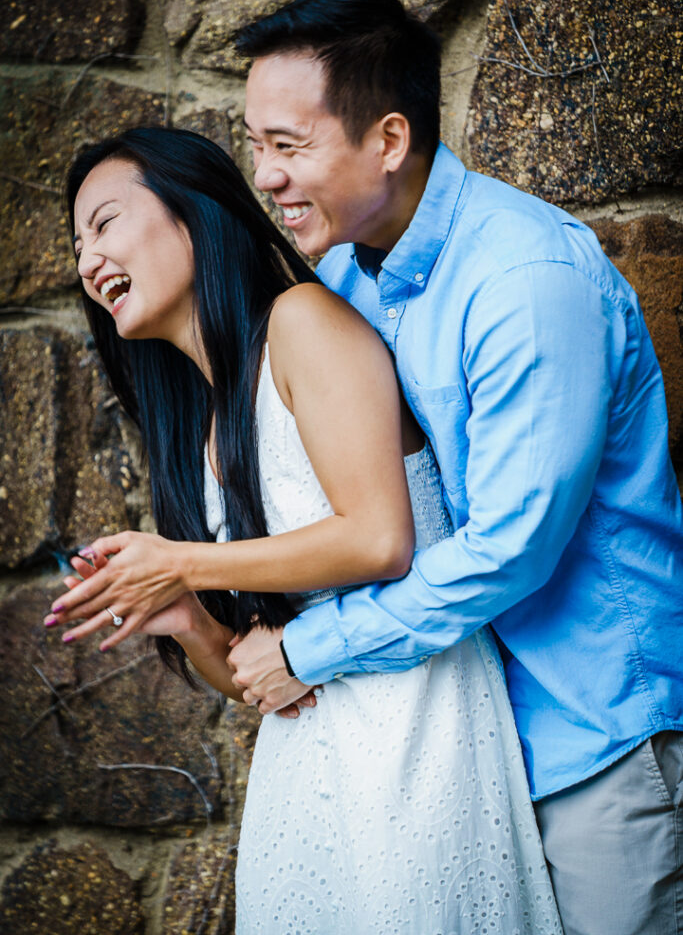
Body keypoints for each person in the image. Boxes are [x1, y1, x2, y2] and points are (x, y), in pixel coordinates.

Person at [215, 0, 681, 935]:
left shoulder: (524, 280)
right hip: (471, 745)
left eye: (289, 145)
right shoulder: (343, 276)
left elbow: (512, 547)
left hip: (597, 729)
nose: (265, 176)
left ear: (387, 139)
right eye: (256, 144)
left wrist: (311, 649)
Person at [48, 126, 563, 933]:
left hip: (413, 738)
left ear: (193, 209)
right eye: (77, 246)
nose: (87, 262)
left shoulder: (301, 322)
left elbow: (380, 538)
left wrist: (181, 563)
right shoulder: (202, 426)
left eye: (104, 224)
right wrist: (184, 620)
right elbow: (266, 678)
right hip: (308, 773)